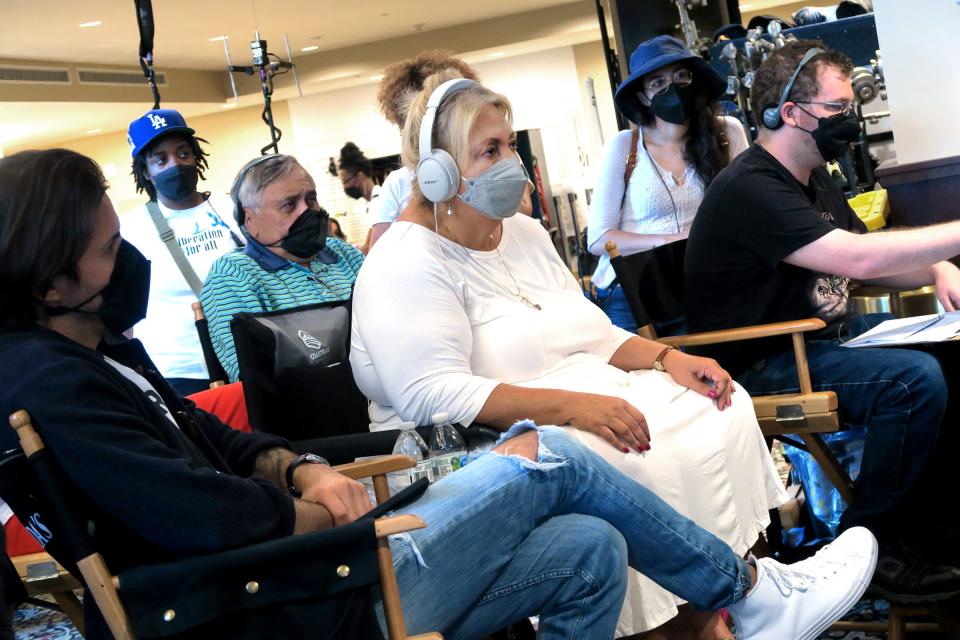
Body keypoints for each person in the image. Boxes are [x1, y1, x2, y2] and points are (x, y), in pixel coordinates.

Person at [0, 148, 878, 640]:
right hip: (283, 604)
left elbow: (209, 435)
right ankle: (751, 594)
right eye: (112, 250)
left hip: (305, 566)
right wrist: (328, 516)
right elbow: (203, 520)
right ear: (45, 278)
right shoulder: (45, 380)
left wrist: (297, 466)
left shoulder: (95, 347)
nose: (129, 266)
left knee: (585, 549)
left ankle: (748, 595)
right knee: (550, 455)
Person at [350, 70, 789, 639]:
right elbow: (430, 393)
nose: (512, 162)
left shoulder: (524, 233)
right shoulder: (405, 259)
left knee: (715, 407)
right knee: (635, 455)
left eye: (510, 144)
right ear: (438, 172)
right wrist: (576, 408)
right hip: (476, 442)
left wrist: (666, 360)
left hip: (581, 392)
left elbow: (596, 333)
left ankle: (715, 616)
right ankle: (673, 622)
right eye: (490, 150)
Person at [685, 40, 960, 601]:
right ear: (791, 113)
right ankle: (871, 549)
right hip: (764, 361)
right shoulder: (750, 187)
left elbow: (868, 251)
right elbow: (856, 261)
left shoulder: (814, 176)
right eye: (837, 108)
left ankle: (936, 534)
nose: (848, 120)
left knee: (953, 354)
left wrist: (937, 267)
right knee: (912, 381)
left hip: (822, 342)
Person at [587, 36, 749, 334]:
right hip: (630, 289)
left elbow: (747, 207)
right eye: (657, 82)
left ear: (696, 80)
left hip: (701, 279)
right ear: (643, 96)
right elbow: (597, 239)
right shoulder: (625, 146)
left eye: (680, 76)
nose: (671, 88)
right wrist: (672, 239)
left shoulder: (728, 134)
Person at [199, 155, 362, 383]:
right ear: (250, 221)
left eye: (311, 199)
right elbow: (255, 379)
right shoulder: (233, 276)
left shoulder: (342, 253)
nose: (308, 212)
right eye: (289, 204)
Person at [121, 109, 244, 396]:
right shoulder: (131, 229)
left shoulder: (233, 211)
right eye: (160, 160)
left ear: (196, 156)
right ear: (145, 172)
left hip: (245, 360)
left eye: (182, 154)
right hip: (178, 373)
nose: (174, 165)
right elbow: (124, 314)